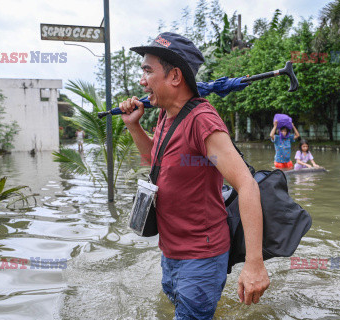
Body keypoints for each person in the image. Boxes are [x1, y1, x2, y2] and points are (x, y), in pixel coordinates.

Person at [119, 32, 269, 319]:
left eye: (148, 71)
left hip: (201, 256)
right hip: (171, 250)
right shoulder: (166, 115)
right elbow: (157, 162)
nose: (142, 81)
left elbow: (246, 184)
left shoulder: (202, 122)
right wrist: (134, 126)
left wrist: (254, 264)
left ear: (175, 77)